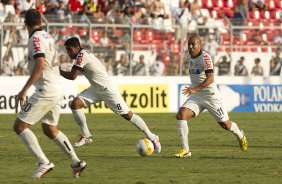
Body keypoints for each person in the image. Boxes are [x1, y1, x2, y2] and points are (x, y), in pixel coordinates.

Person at [12, 9, 86, 180]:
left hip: (46, 89)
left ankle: (43, 162)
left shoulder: (35, 38)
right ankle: (76, 162)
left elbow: (39, 64)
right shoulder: (47, 36)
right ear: (41, 21)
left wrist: (24, 90)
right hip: (56, 87)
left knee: (20, 126)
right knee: (49, 128)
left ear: (25, 24)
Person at [59, 37, 161, 153]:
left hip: (107, 90)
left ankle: (153, 137)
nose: (68, 52)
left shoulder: (82, 56)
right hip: (96, 89)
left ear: (77, 48)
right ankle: (86, 135)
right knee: (75, 104)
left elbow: (72, 76)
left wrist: (57, 71)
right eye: (66, 50)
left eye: (70, 49)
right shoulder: (80, 55)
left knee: (127, 115)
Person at [174, 35, 248, 158]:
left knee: (226, 125)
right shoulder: (188, 57)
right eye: (189, 45)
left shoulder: (205, 58)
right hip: (197, 96)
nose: (191, 47)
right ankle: (185, 150)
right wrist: (195, 91)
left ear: (200, 45)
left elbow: (210, 78)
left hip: (211, 96)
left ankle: (240, 135)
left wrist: (195, 89)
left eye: (193, 44)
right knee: (181, 115)